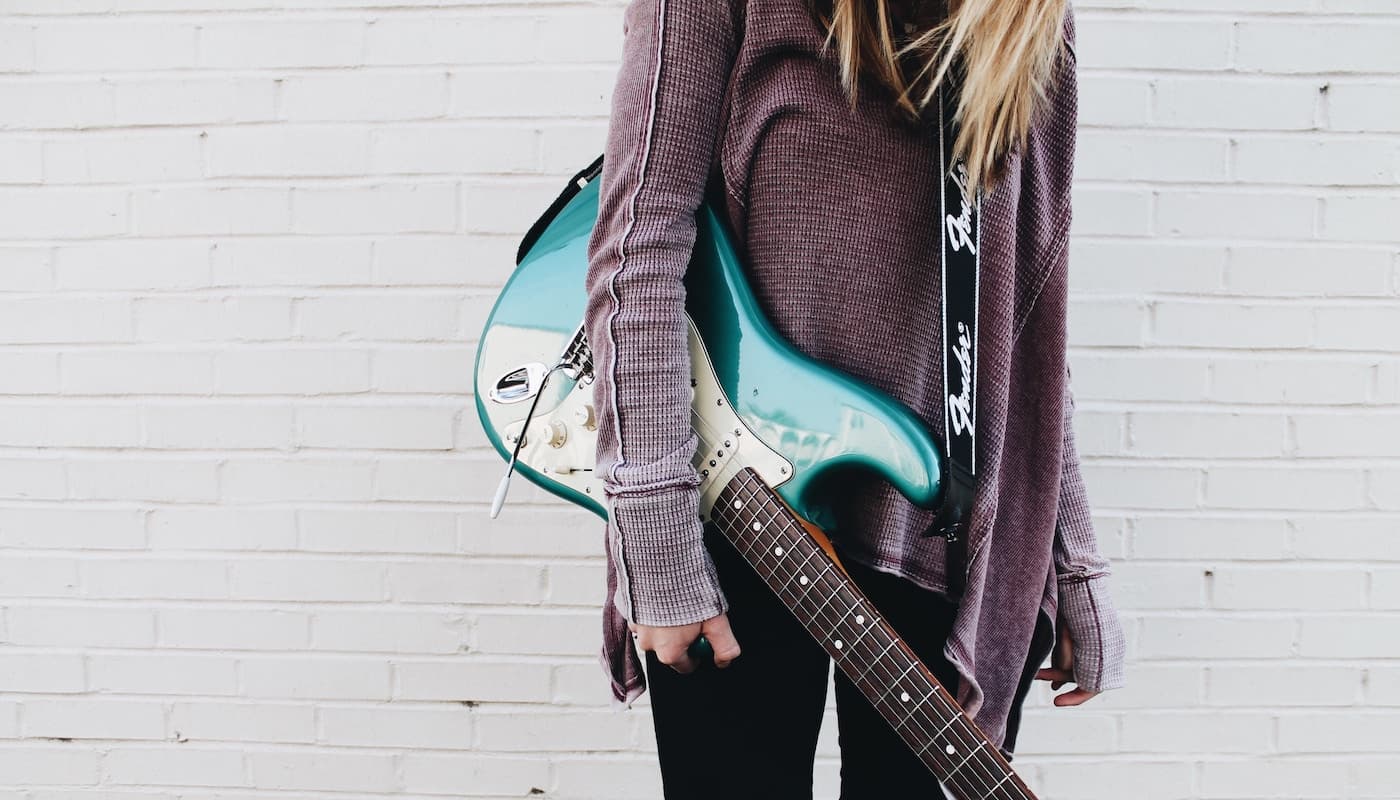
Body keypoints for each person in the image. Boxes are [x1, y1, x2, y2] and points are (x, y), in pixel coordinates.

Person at [581, 0, 1126, 796]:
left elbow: (1026, 321)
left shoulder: (1028, 20)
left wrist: (1071, 561)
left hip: (940, 536)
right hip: (743, 518)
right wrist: (657, 541)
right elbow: (637, 251)